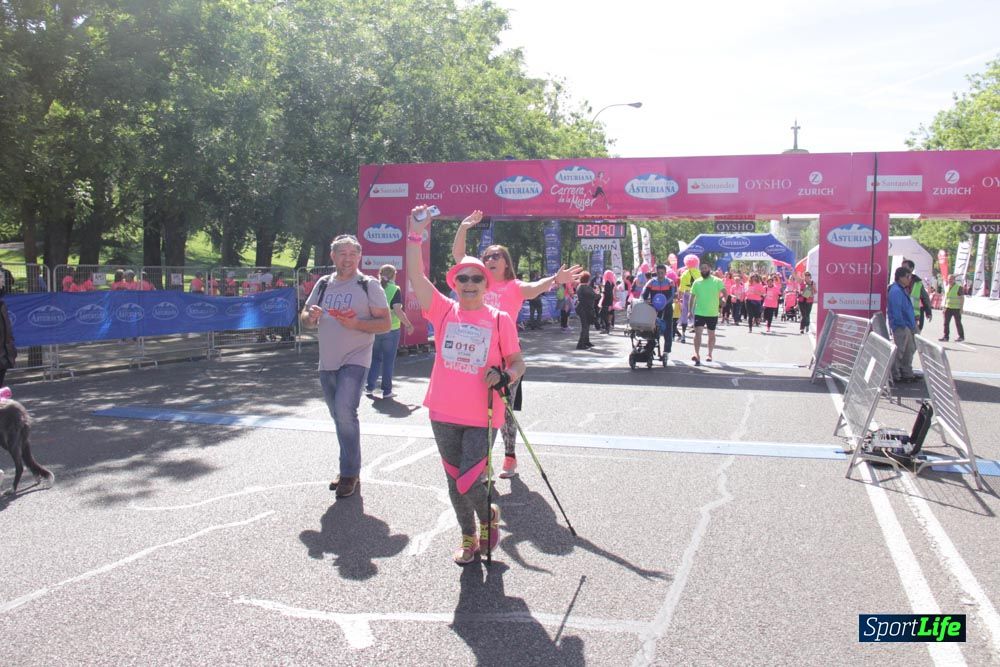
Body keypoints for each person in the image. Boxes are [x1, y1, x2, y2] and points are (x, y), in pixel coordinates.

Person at [407, 205, 526, 565]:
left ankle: (488, 515)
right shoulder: (442, 310)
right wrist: (415, 233)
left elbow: (517, 362)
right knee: (452, 478)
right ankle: (469, 535)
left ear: (485, 285)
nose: (470, 284)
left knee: (468, 479)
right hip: (442, 409)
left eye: (477, 279)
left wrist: (506, 376)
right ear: (455, 283)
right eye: (464, 279)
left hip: (482, 412)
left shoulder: (500, 318)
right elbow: (415, 273)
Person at [452, 211, 580, 479]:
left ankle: (509, 457)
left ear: (506, 263)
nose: (489, 259)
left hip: (506, 360)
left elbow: (535, 288)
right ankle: (483, 461)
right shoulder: (478, 283)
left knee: (503, 412)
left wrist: (556, 280)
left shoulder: (513, 286)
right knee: (478, 412)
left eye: (496, 256)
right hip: (475, 358)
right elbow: (459, 257)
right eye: (486, 256)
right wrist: (463, 227)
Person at [301, 234, 391, 499]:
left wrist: (357, 325)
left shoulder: (368, 285)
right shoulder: (323, 284)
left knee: (344, 411)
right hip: (327, 360)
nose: (348, 258)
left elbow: (384, 324)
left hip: (356, 357)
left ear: (359, 256)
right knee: (339, 417)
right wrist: (312, 317)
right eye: (342, 253)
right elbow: (305, 318)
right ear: (333, 256)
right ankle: (348, 468)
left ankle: (350, 472)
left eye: (352, 253)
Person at [365, 264, 414, 400]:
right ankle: (386, 390)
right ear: (394, 275)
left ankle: (369, 387)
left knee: (375, 359)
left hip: (375, 328)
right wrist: (408, 325)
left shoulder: (374, 288)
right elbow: (398, 310)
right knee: (388, 361)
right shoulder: (394, 289)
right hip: (391, 329)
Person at [689, 263, 727, 365]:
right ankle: (697, 354)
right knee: (698, 334)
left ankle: (709, 354)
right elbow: (692, 297)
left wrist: (724, 299)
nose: (704, 270)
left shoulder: (717, 281)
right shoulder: (697, 282)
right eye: (702, 268)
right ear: (700, 270)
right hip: (699, 312)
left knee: (711, 335)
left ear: (709, 269)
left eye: (706, 268)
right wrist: (689, 311)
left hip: (712, 313)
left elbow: (724, 292)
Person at [888, 266, 918, 383]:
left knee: (908, 351)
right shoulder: (896, 291)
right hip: (902, 327)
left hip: (908, 326)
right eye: (908, 276)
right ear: (900, 277)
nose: (909, 279)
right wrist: (903, 326)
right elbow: (896, 311)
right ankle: (895, 374)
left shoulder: (901, 289)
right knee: (900, 351)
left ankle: (906, 373)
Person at [642, 263, 675, 363]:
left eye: (662, 273)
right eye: (658, 272)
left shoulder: (670, 282)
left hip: (667, 309)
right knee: (652, 330)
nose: (660, 274)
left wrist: (664, 303)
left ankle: (666, 351)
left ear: (665, 273)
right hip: (654, 309)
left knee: (667, 330)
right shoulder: (651, 282)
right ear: (656, 272)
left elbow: (672, 295)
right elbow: (644, 294)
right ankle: (650, 348)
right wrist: (645, 300)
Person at [902, 259, 933, 332]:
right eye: (902, 267)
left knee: (914, 335)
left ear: (911, 269)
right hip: (902, 313)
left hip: (914, 315)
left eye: (905, 267)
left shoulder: (918, 283)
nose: (903, 269)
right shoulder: (898, 280)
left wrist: (928, 312)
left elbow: (925, 298)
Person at [939, 273, 965, 343]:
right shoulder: (947, 287)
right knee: (946, 323)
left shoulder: (958, 287)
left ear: (954, 280)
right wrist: (944, 307)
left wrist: (961, 308)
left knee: (958, 323)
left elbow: (962, 298)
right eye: (948, 279)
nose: (949, 280)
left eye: (951, 279)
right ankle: (945, 337)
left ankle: (961, 336)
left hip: (956, 308)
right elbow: (946, 298)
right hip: (948, 308)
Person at [575, 271, 596, 350]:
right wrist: (598, 293)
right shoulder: (585, 287)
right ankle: (580, 344)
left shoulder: (580, 286)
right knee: (585, 326)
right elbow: (594, 296)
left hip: (582, 308)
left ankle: (586, 341)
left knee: (586, 326)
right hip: (584, 309)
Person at [0, 297, 16, 386]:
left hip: (3, 355)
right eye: (1, 281)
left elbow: (7, 330)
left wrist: (11, 348)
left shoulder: (2, 304)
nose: (2, 282)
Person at [599, 269, 616, 334]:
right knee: (605, 314)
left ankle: (607, 327)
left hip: (606, 300)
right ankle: (607, 327)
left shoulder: (607, 283)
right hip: (609, 300)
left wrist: (602, 291)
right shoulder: (611, 282)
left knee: (602, 314)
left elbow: (607, 292)